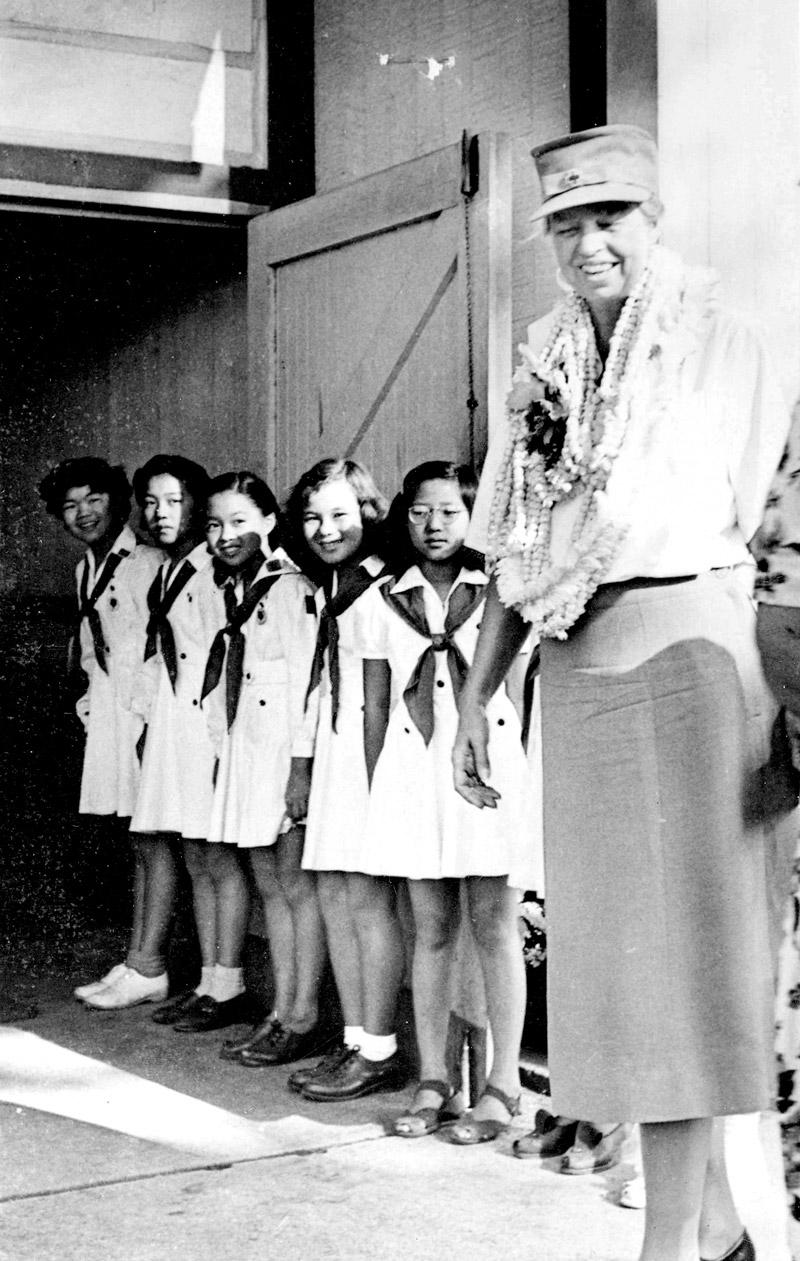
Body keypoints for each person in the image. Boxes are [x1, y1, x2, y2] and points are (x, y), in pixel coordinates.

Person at [452, 125, 796, 1261]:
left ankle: (679, 1235)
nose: (587, 241)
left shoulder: (722, 341)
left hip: (690, 643)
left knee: (699, 959)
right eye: (566, 222)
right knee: (616, 968)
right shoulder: (536, 358)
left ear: (655, 224)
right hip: (576, 656)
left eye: (610, 218)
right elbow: (512, 538)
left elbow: (752, 513)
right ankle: (698, 1220)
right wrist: (474, 695)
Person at [354, 460, 541, 1139]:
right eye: (420, 512)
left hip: (488, 766)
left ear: (473, 519)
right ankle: (433, 1077)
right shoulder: (379, 600)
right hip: (412, 774)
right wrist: (385, 793)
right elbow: (375, 705)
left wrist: (517, 781)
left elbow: (516, 691)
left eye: (449, 513)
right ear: (404, 518)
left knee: (495, 926)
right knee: (430, 928)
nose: (433, 526)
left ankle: (504, 1083)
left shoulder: (502, 590)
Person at [284, 457, 407, 1101]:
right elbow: (317, 684)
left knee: (366, 901)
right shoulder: (329, 587)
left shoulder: (387, 586)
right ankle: (355, 1040)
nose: (326, 528)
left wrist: (375, 783)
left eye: (339, 514)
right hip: (333, 758)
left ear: (367, 512)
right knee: (334, 896)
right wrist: (303, 766)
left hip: (370, 762)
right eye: (311, 517)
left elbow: (386, 698)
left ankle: (381, 1047)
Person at [88, 454, 225, 1020]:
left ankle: (212, 978)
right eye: (151, 502)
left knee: (208, 853)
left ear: (197, 503)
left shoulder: (209, 568)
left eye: (173, 501)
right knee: (177, 846)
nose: (159, 512)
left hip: (201, 725)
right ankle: (161, 967)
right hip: (164, 718)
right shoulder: (174, 565)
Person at [199, 471, 326, 1067]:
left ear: (270, 523)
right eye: (216, 525)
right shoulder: (239, 588)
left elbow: (310, 684)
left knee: (296, 889)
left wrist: (300, 771)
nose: (226, 535)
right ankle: (281, 1009)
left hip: (283, 758)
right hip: (250, 755)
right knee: (270, 888)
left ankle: (304, 1016)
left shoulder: (289, 588)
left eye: (240, 522)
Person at [38, 457, 163, 1003]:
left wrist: (141, 725)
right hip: (112, 715)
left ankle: (150, 962)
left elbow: (158, 654)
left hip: (147, 716)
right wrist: (95, 715)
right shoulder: (87, 568)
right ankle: (137, 958)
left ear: (118, 500)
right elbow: (94, 654)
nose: (83, 514)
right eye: (70, 506)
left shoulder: (147, 561)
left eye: (93, 500)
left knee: (157, 841)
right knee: (137, 840)